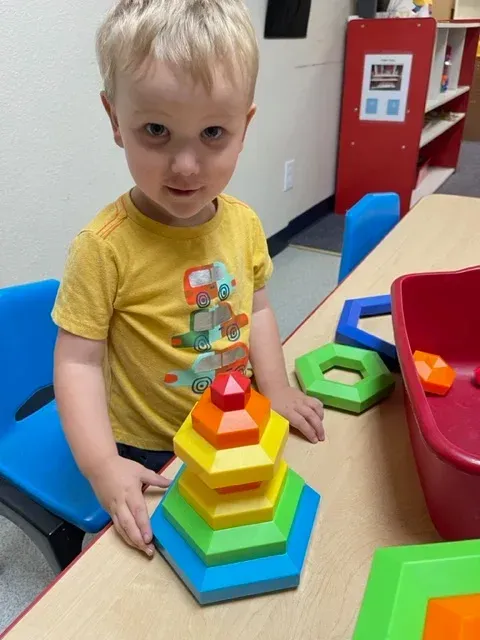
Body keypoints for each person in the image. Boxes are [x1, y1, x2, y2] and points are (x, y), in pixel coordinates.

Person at [52, 0, 325, 558]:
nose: (186, 167)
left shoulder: (245, 223)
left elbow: (262, 308)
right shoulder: (102, 248)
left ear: (244, 127)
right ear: (114, 121)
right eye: (156, 130)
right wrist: (103, 465)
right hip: (149, 450)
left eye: (212, 133)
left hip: (236, 422)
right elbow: (77, 362)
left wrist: (273, 388)